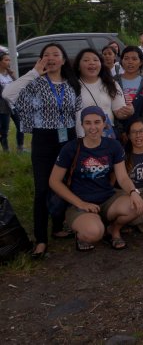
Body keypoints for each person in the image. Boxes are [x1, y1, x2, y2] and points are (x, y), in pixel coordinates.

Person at [2, 43, 82, 256]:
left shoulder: (73, 83)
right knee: (42, 188)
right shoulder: (34, 82)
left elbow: (79, 113)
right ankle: (40, 239)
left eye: (56, 54)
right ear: (41, 60)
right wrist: (34, 72)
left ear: (64, 60)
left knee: (65, 183)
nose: (51, 58)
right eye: (46, 55)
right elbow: (8, 94)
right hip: (44, 138)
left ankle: (57, 227)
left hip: (68, 138)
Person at [50, 106, 143, 251]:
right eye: (88, 123)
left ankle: (113, 230)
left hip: (107, 198)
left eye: (97, 122)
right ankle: (83, 233)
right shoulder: (71, 148)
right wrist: (80, 203)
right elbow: (54, 181)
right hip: (79, 203)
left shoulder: (113, 145)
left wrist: (133, 192)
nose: (93, 127)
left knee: (137, 207)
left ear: (104, 123)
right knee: (94, 233)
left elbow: (123, 177)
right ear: (82, 125)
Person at [74, 48, 129, 138]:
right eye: (86, 60)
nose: (92, 63)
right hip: (81, 136)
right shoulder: (71, 86)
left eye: (96, 60)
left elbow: (119, 113)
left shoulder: (110, 84)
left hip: (106, 135)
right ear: (78, 66)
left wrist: (128, 111)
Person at [0, 51, 24, 153]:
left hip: (14, 105)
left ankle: (20, 148)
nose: (9, 62)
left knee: (21, 126)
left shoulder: (9, 74)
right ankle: (6, 150)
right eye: (6, 60)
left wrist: (14, 77)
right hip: (3, 107)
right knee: (4, 131)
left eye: (9, 60)